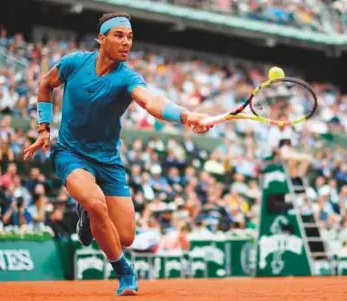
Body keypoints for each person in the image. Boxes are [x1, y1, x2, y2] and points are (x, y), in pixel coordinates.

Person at [23, 12, 212, 296]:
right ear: (102, 38)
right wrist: (43, 128)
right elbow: (46, 84)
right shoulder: (74, 63)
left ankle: (87, 214)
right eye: (119, 36)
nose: (126, 43)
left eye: (130, 37)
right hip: (70, 153)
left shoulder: (127, 78)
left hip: (108, 161)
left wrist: (186, 115)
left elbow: (151, 101)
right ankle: (125, 272)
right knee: (97, 203)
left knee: (124, 236)